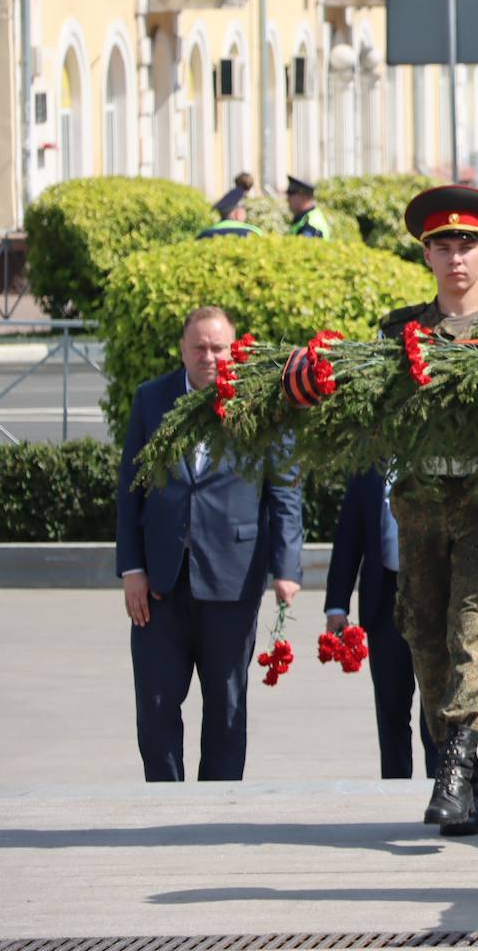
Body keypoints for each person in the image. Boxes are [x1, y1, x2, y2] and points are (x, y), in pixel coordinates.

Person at [380, 184, 478, 836]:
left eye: (467, 244)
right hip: (421, 508)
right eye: (443, 245)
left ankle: (454, 766)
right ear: (427, 255)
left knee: (473, 630)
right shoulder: (399, 333)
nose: (455, 257)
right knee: (427, 643)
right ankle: (469, 783)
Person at [115, 305, 304, 781]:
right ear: (182, 349)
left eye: (218, 347)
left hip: (232, 578)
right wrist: (131, 568)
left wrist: (287, 568)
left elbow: (285, 490)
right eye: (199, 347)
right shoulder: (151, 400)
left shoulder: (262, 404)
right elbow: (130, 490)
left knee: (226, 706)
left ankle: (219, 805)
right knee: (156, 704)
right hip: (159, 583)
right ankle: (165, 800)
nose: (209, 356)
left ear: (233, 351)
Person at [323, 468, 438, 780]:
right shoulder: (370, 465)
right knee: (391, 704)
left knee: (437, 704)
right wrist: (337, 604)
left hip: (435, 593)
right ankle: (395, 786)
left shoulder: (441, 453)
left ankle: (442, 785)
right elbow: (350, 532)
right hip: (385, 594)